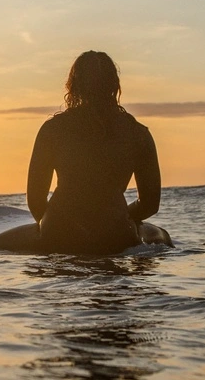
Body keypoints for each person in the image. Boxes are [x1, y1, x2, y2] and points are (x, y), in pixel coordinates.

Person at [17, 50, 165, 255]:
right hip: (116, 234)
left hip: (59, 231)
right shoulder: (138, 133)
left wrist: (58, 226)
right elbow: (150, 204)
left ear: (73, 85)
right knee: (161, 236)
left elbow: (35, 200)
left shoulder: (52, 130)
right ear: (114, 85)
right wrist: (119, 216)